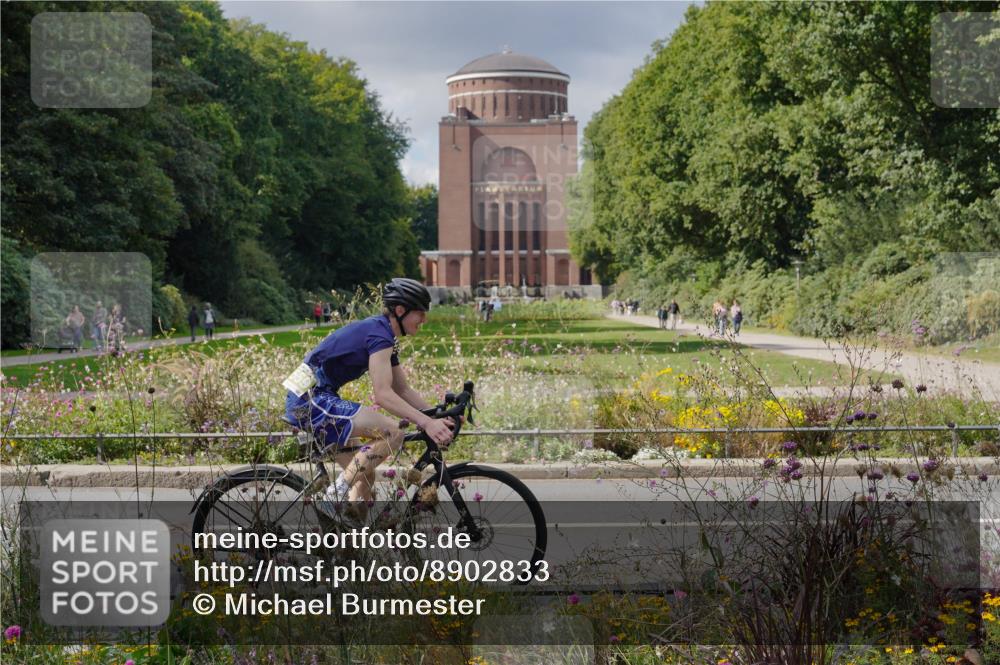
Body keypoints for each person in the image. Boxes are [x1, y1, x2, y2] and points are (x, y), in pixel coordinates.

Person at [283, 278, 455, 518]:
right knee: (394, 432)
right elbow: (383, 395)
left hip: (318, 396)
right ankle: (333, 496)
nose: (424, 319)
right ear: (400, 311)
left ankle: (347, 545)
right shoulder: (380, 335)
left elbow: (402, 390)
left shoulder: (384, 335)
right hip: (310, 399)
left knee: (364, 477)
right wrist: (426, 423)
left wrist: (438, 416)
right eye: (420, 313)